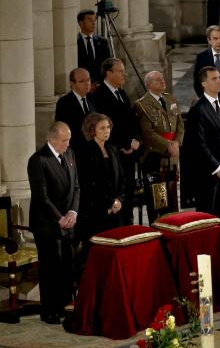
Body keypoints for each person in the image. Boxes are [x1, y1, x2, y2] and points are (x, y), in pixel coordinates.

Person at [27, 121, 80, 324]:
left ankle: (65, 305)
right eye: (64, 140)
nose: (68, 144)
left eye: (69, 140)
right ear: (52, 139)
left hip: (68, 220)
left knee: (67, 265)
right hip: (47, 223)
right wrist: (60, 217)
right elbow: (42, 196)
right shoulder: (38, 160)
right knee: (50, 269)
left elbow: (76, 186)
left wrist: (73, 212)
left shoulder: (70, 153)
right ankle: (49, 310)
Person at [181, 67, 220, 221]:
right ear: (204, 83)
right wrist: (217, 167)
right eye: (214, 78)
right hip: (207, 175)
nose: (219, 81)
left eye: (219, 77)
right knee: (207, 219)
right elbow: (199, 144)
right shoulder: (198, 109)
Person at [90, 57, 140, 223]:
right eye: (119, 71)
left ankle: (129, 223)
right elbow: (106, 126)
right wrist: (126, 143)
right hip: (113, 152)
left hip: (129, 153)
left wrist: (135, 140)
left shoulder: (122, 93)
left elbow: (131, 120)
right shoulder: (99, 96)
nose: (123, 74)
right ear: (108, 73)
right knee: (116, 191)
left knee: (128, 190)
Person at [134, 70, 183, 220]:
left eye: (162, 78)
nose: (163, 81)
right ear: (149, 85)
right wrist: (168, 144)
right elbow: (147, 132)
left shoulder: (170, 99)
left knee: (173, 198)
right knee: (159, 200)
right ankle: (160, 228)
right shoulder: (142, 105)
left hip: (172, 156)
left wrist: (177, 142)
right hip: (155, 158)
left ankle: (173, 228)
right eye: (157, 80)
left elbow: (180, 124)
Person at [76, 113, 126, 250]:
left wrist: (119, 200)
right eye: (102, 128)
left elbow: (121, 178)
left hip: (116, 209)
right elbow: (90, 184)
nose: (106, 131)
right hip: (96, 211)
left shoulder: (112, 149)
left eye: (108, 127)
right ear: (92, 130)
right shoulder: (85, 152)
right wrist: (109, 203)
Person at [55, 68, 98, 152]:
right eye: (82, 81)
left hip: (94, 150)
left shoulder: (92, 99)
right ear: (72, 84)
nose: (87, 84)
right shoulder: (64, 102)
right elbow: (62, 130)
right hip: (75, 151)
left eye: (88, 80)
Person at [76, 10, 112, 86]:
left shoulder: (103, 42)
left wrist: (98, 84)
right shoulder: (74, 44)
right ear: (81, 23)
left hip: (100, 86)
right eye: (89, 20)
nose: (94, 23)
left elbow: (107, 66)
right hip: (82, 87)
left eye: (94, 20)